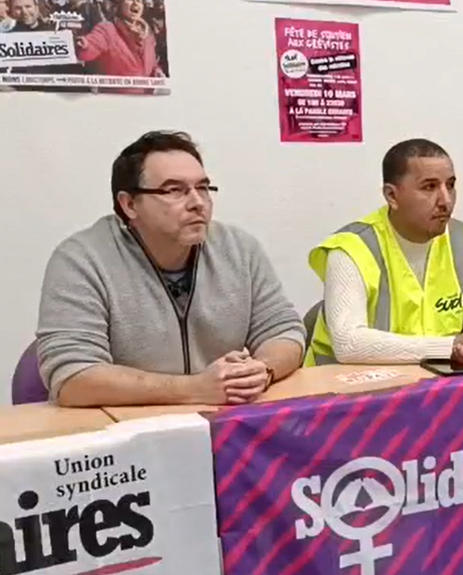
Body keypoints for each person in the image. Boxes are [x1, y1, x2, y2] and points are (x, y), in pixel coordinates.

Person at [36, 131, 306, 408]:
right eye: (175, 190)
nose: (197, 203)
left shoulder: (239, 249)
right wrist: (193, 389)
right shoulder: (82, 260)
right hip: (125, 425)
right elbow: (73, 379)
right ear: (129, 204)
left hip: (220, 421)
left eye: (203, 188)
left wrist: (262, 369)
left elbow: (284, 332)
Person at [306, 138, 463, 366]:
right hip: (338, 384)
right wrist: (450, 347)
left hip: (428, 380)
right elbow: (348, 343)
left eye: (450, 185)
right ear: (392, 196)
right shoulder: (351, 248)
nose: (446, 200)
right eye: (429, 187)